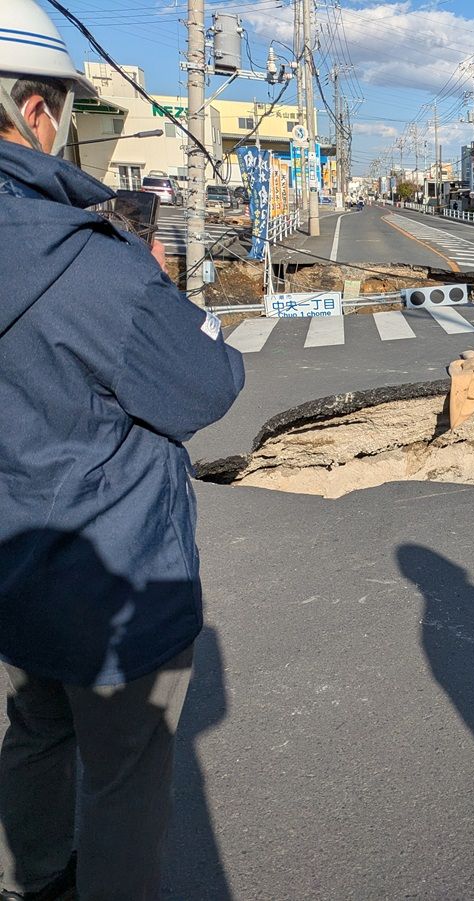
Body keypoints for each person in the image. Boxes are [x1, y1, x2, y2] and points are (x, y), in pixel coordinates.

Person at [0, 2, 245, 898]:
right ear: (34, 111)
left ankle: (29, 880)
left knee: (34, 731)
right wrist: (159, 283)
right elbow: (205, 386)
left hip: (10, 567)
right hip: (110, 579)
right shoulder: (94, 267)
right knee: (121, 776)